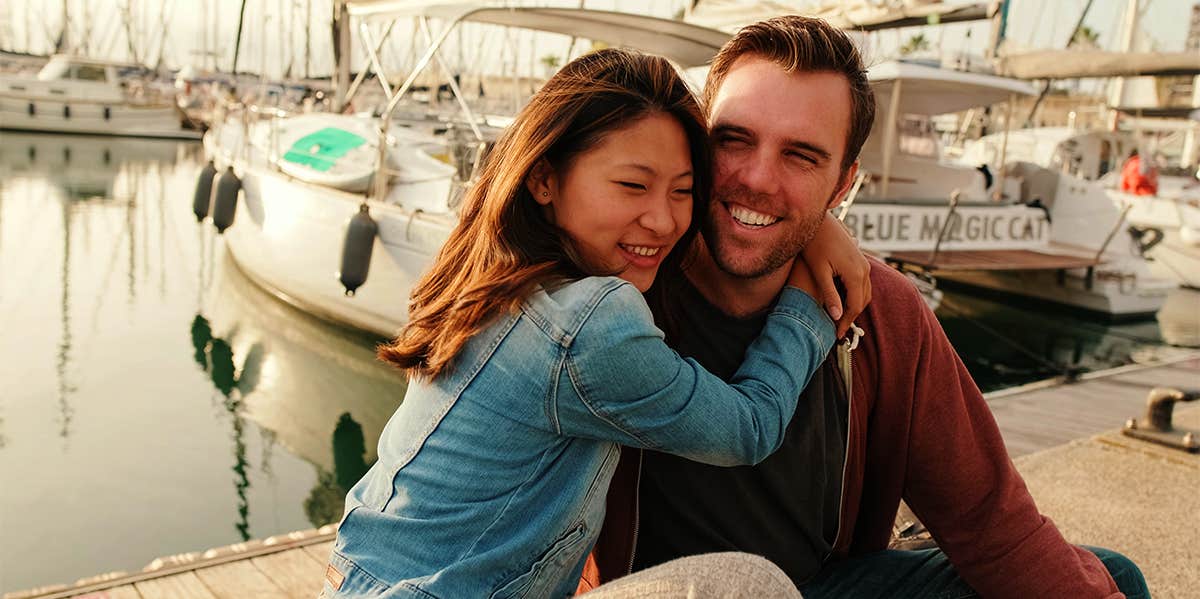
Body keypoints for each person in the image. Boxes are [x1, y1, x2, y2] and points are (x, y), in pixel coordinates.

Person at [578, 16, 1150, 599]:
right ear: (699, 144)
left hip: (820, 586)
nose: (756, 177)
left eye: (801, 156)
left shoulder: (881, 310)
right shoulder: (624, 278)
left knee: (1110, 577)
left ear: (843, 185)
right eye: (733, 140)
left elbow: (987, 518)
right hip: (658, 589)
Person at [319, 48, 871, 598]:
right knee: (750, 587)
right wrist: (808, 303)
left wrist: (814, 225)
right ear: (544, 180)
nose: (663, 220)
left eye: (683, 192)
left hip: (364, 575)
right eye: (633, 186)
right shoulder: (590, 321)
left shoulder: (496, 277)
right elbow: (749, 428)